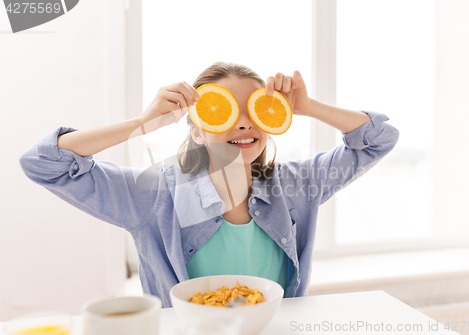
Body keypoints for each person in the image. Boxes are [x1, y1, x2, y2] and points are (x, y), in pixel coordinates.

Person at [19, 61, 399, 308]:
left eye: (255, 111)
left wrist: (308, 106)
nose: (244, 123)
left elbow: (379, 139)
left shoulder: (295, 185)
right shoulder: (154, 195)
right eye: (225, 112)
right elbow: (44, 164)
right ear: (198, 132)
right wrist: (142, 123)